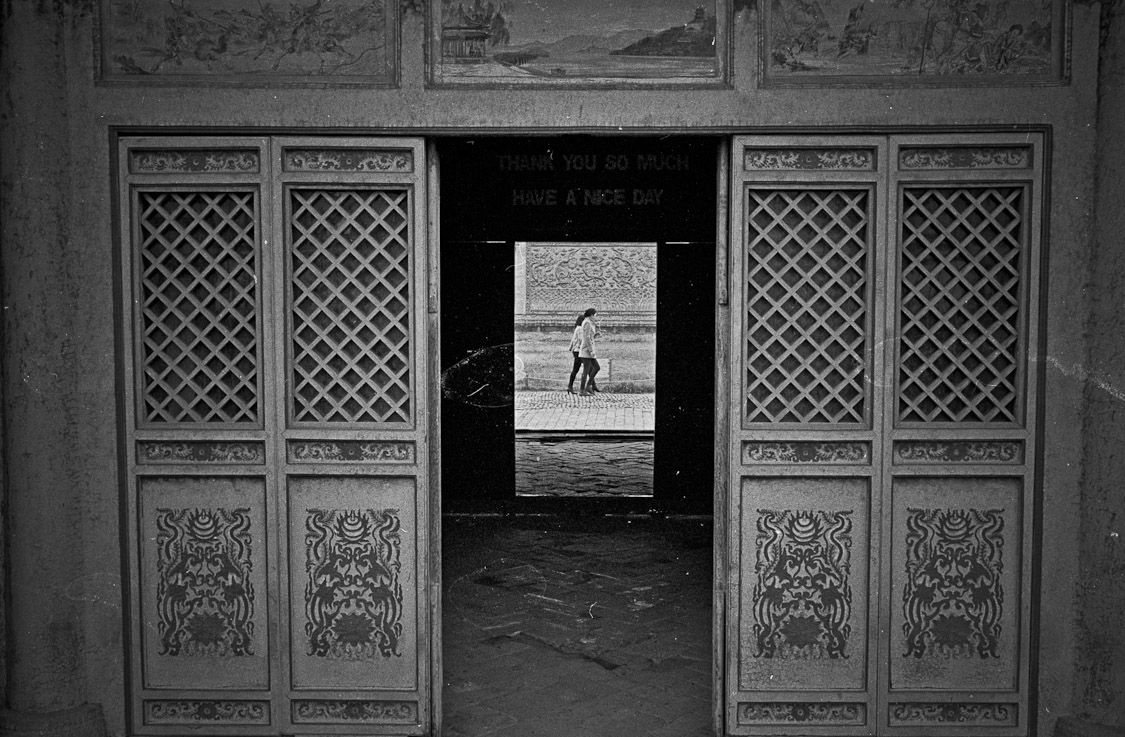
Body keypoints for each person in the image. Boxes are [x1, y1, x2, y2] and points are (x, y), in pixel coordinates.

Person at [578, 307, 600, 397]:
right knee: (587, 370)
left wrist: (595, 335)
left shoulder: (588, 322)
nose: (595, 317)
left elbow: (589, 337)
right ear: (591, 315)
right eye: (595, 315)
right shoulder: (587, 322)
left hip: (588, 350)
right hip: (586, 350)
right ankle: (582, 389)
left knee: (596, 367)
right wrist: (591, 351)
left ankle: (588, 386)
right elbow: (586, 338)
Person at [566, 313, 584, 394]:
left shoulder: (577, 328)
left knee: (577, 369)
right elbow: (581, 339)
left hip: (576, 350)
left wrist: (571, 348)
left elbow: (573, 339)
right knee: (588, 368)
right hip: (579, 351)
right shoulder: (580, 329)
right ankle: (590, 386)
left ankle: (570, 386)